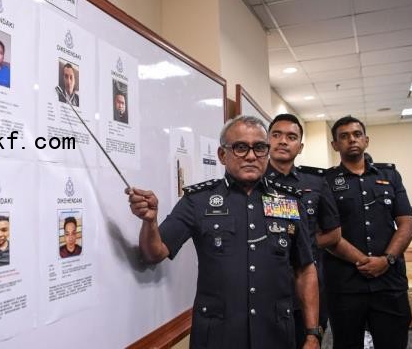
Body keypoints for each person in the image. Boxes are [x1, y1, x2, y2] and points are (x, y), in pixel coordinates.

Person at [127, 115, 320, 349]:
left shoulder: (288, 201)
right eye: (240, 147)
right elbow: (154, 253)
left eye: (259, 148)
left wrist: (312, 333)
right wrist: (150, 222)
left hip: (275, 333)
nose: (251, 156)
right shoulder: (198, 201)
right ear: (222, 155)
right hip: (218, 336)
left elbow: (305, 270)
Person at [324, 116, 412, 348]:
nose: (351, 139)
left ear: (366, 140)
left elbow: (407, 222)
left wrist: (387, 259)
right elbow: (325, 232)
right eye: (343, 136)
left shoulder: (389, 176)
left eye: (356, 134)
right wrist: (364, 261)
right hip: (345, 285)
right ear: (335, 145)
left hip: (389, 282)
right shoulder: (325, 182)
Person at [267, 114, 341, 347]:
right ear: (266, 141)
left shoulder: (316, 183)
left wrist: (302, 248)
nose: (282, 141)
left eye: (291, 137)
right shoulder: (253, 181)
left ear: (300, 147)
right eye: (276, 135)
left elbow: (333, 233)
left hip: (308, 288)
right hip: (266, 287)